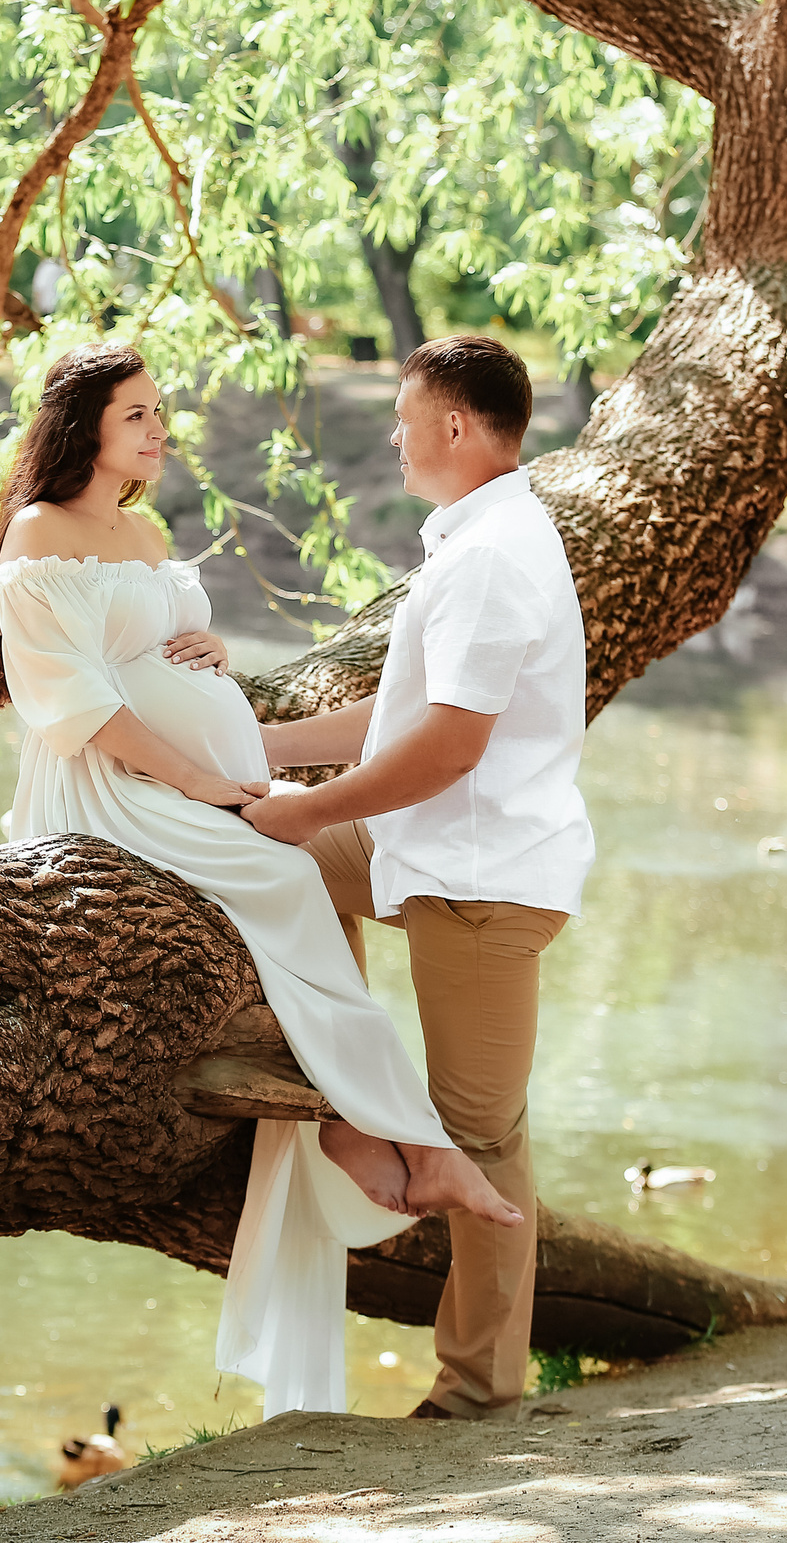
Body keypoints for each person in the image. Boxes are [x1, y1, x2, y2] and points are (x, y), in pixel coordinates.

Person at [0, 341, 521, 1419]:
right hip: (105, 790)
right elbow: (77, 703)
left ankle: (358, 1129)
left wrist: (205, 646)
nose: (158, 430)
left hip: (188, 776)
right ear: (82, 427)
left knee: (288, 877)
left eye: (160, 413)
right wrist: (204, 779)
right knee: (289, 881)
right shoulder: (38, 534)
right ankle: (412, 1141)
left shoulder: (142, 530)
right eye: (136, 415)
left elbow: (152, 649)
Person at [245, 334, 593, 1423]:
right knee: (256, 862)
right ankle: (353, 1107)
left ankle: (479, 1388)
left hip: (484, 880)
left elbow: (446, 750)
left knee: (486, 1139)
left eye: (404, 419)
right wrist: (260, 750)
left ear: (453, 428)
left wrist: (306, 804)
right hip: (423, 850)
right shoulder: (471, 542)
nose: (393, 437)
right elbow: (399, 719)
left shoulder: (495, 557)